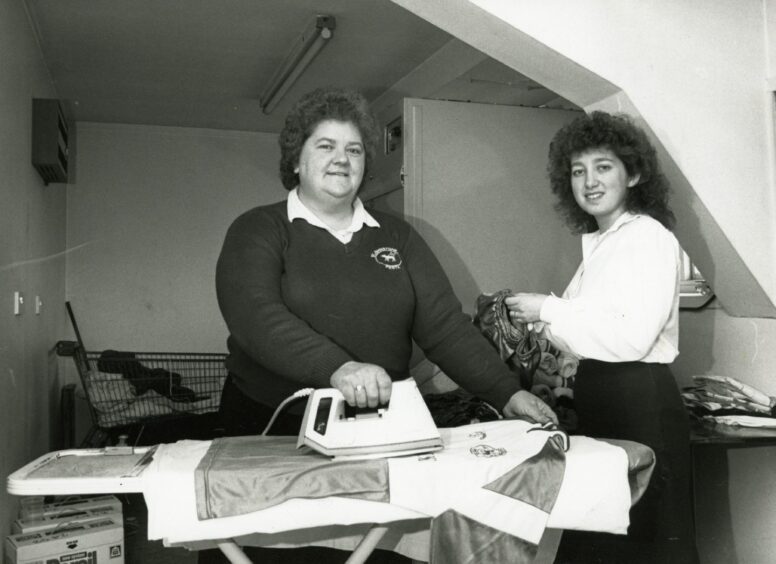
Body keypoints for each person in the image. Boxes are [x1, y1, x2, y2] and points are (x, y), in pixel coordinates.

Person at [201, 87, 556, 564]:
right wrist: (339, 368)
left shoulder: (397, 237)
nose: (341, 159)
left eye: (354, 149)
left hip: (373, 431)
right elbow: (256, 317)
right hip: (270, 427)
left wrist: (507, 392)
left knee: (371, 552)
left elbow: (446, 328)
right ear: (296, 161)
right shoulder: (260, 229)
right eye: (324, 146)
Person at [505, 111, 698, 563]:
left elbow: (630, 339)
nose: (589, 181)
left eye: (603, 166)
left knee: (646, 542)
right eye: (578, 171)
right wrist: (535, 319)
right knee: (604, 538)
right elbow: (587, 330)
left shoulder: (647, 238)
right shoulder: (603, 242)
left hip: (640, 402)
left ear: (633, 173)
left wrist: (547, 308)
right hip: (604, 397)